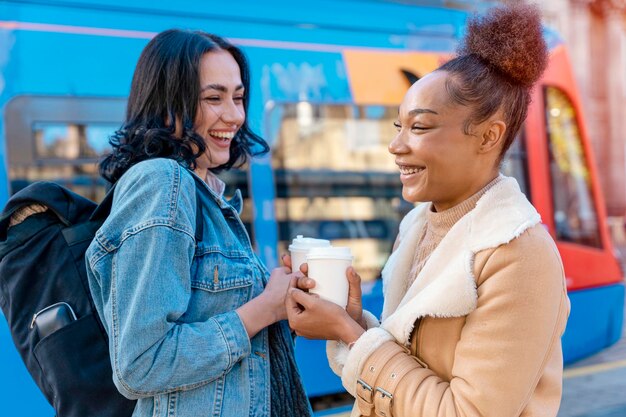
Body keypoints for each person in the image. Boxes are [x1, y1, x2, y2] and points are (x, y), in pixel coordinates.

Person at [286, 4, 570, 417]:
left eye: (419, 127)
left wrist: (348, 333)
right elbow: (410, 365)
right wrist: (352, 323)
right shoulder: (418, 226)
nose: (396, 146)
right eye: (397, 126)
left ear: (489, 136)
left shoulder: (519, 253)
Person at [85, 29, 312, 417]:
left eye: (238, 97)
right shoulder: (163, 182)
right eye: (213, 98)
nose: (235, 116)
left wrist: (281, 301)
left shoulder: (204, 192)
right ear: (167, 103)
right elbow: (141, 363)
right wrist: (263, 310)